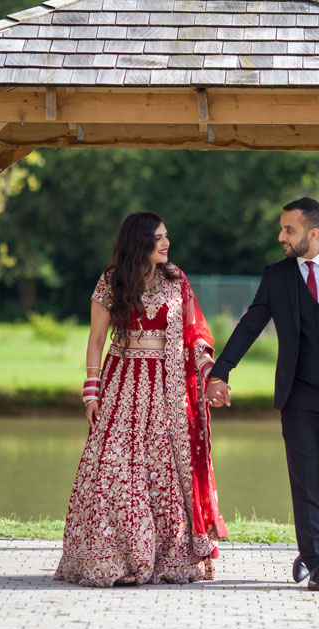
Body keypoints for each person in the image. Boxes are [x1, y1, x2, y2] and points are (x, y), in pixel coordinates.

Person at [205, 197, 319, 591]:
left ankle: (310, 548)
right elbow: (250, 325)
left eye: (289, 230)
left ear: (313, 233)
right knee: (304, 481)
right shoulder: (277, 275)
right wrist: (219, 373)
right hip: (298, 393)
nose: (281, 236)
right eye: (282, 229)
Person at [54, 212, 226, 587]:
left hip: (166, 392)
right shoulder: (111, 280)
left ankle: (166, 557)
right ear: (140, 242)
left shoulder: (177, 280)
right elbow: (96, 341)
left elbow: (195, 334)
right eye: (158, 238)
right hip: (122, 383)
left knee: (163, 473)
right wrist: (91, 392)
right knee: (114, 468)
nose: (166, 244)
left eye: (167, 237)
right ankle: (114, 556)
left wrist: (209, 370)